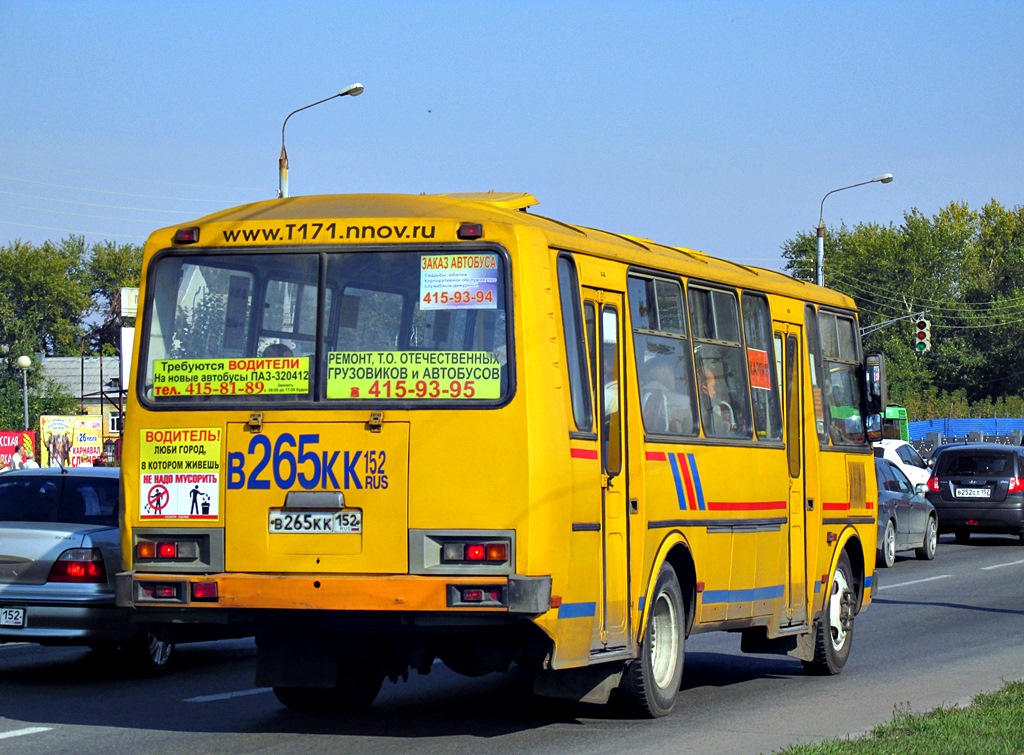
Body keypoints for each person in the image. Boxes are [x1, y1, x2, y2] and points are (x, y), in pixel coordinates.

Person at [641, 357, 693, 434]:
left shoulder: (633, 396)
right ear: (667, 375)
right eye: (672, 373)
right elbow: (690, 433)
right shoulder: (684, 401)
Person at [698, 362, 737, 436]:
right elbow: (718, 428)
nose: (714, 392)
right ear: (704, 387)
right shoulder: (709, 411)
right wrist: (728, 426)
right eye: (712, 387)